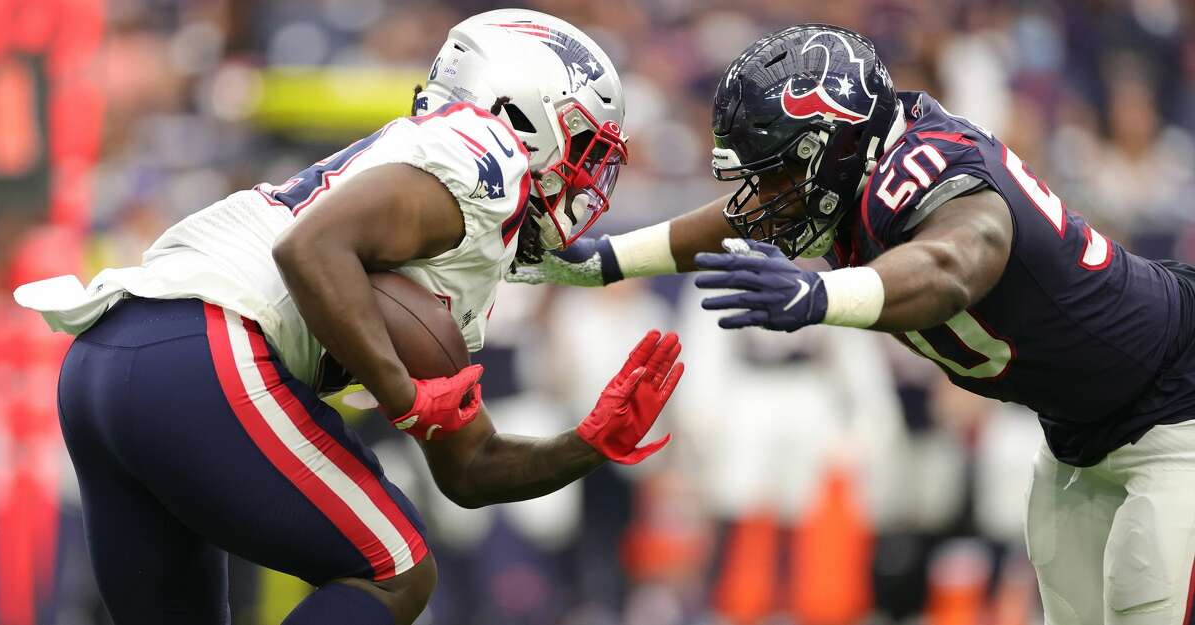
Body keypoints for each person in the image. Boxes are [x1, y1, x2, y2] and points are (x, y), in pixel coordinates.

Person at [12, 9, 684, 625]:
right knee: (396, 571)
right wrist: (404, 395)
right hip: (204, 346)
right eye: (584, 148)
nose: (586, 178)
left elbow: (469, 470)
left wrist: (588, 444)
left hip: (106, 356)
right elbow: (309, 247)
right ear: (526, 117)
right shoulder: (484, 155)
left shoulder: (453, 213)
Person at [508, 23, 1195, 624]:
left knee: (1140, 598)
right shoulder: (857, 167)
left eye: (775, 175)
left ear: (833, 147)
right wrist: (605, 261)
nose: (760, 201)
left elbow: (956, 262)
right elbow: (738, 216)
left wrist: (819, 297)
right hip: (1077, 431)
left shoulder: (932, 175)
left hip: (1173, 401)